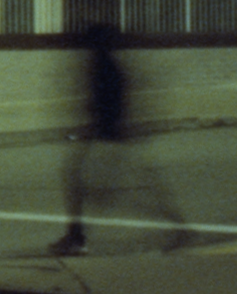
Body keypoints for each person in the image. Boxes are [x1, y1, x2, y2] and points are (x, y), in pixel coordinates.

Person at [49, 20, 182, 257]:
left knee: (108, 191)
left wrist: (87, 130)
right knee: (95, 187)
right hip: (110, 138)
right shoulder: (106, 63)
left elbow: (107, 106)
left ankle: (77, 238)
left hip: (110, 140)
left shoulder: (104, 66)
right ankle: (76, 236)